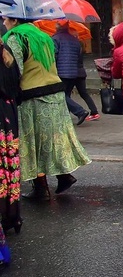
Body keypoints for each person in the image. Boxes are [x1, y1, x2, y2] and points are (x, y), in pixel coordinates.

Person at [1, 16, 90, 200]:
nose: (4, 23)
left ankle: (41, 189)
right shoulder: (44, 37)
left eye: (6, 19)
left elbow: (14, 70)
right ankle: (64, 176)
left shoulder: (15, 38)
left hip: (32, 97)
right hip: (55, 93)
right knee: (52, 139)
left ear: (15, 20)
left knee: (33, 143)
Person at [53, 21, 100, 124]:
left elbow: (54, 55)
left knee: (60, 94)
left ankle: (79, 111)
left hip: (61, 72)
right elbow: (79, 58)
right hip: (73, 72)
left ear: (58, 26)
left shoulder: (56, 39)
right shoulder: (75, 41)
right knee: (67, 94)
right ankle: (65, 116)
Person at [0, 35, 22, 237]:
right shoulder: (5, 49)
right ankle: (13, 215)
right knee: (9, 164)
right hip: (8, 113)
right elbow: (16, 85)